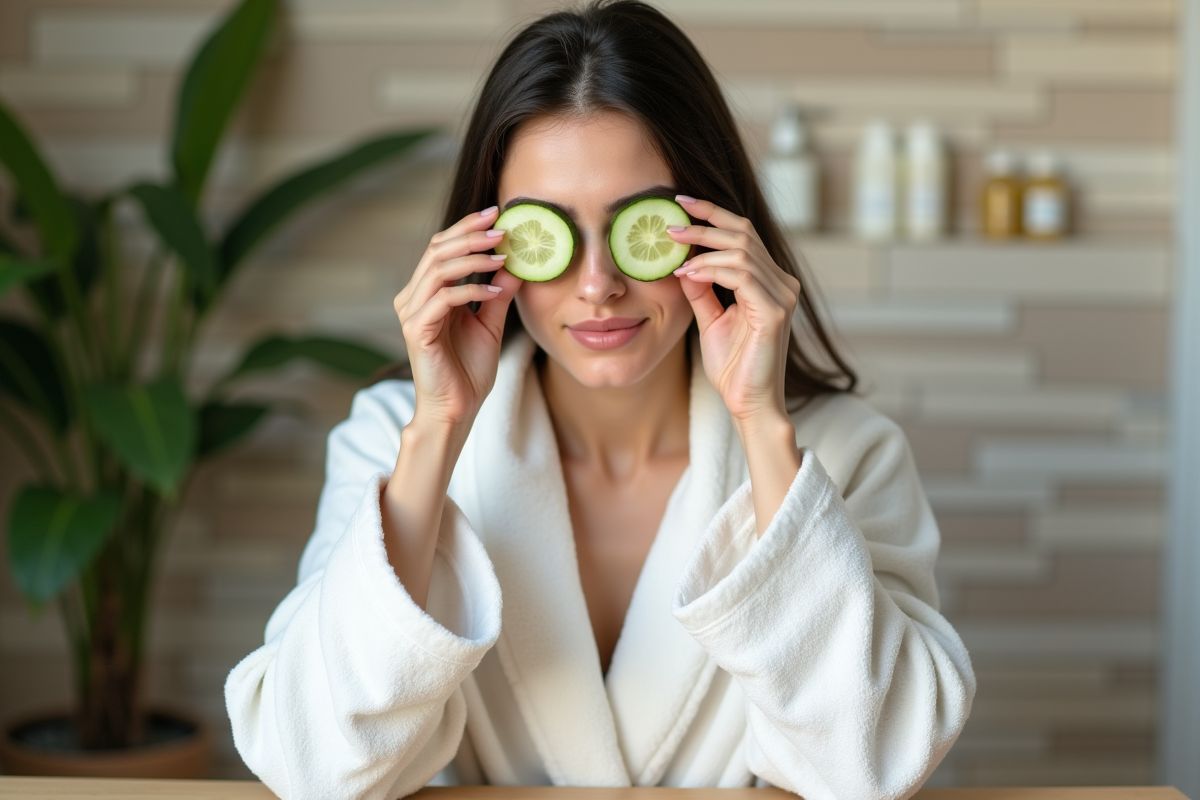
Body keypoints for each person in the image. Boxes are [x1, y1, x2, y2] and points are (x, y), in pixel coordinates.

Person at [224, 3, 975, 799]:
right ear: (485, 246)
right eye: (545, 235)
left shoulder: (851, 454)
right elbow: (313, 768)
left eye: (639, 231)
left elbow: (874, 764)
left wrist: (762, 425)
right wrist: (439, 427)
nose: (597, 285)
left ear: (720, 229)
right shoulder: (389, 441)